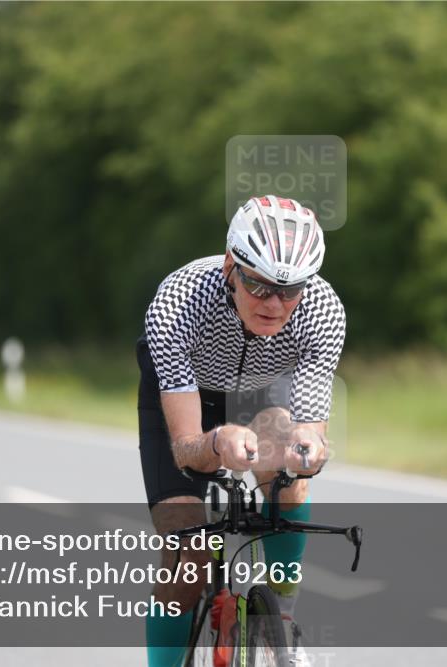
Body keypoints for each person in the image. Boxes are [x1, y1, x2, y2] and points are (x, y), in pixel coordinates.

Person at [138, 195, 346, 666]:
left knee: (292, 484)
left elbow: (309, 426)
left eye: (290, 290)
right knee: (188, 556)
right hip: (183, 396)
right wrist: (218, 442)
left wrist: (306, 451)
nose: (274, 304)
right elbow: (188, 447)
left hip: (259, 392)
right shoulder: (179, 300)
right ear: (232, 265)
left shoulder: (322, 310)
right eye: (259, 286)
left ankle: (285, 624)